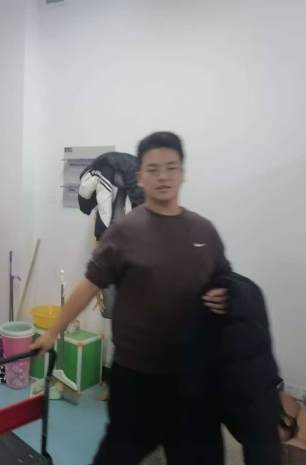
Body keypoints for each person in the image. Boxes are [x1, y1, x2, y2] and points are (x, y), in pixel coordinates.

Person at [32, 132, 231, 464]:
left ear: (183, 173)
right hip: (136, 378)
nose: (163, 176)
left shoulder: (204, 231)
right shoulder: (124, 233)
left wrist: (227, 294)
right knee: (118, 455)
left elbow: (225, 278)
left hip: (192, 377)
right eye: (153, 169)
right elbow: (89, 285)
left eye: (171, 167)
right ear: (139, 177)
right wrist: (53, 332)